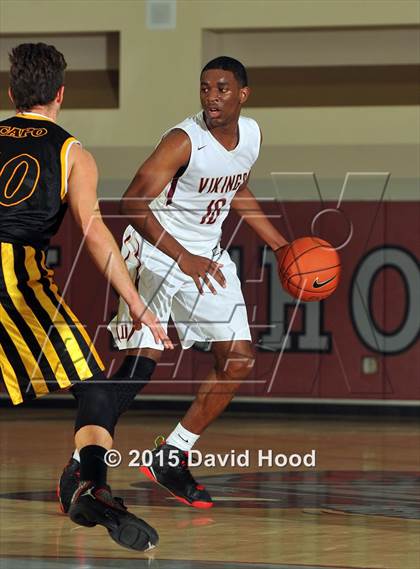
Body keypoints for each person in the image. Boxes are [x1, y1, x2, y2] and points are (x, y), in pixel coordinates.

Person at [59, 56, 288, 510]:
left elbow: (234, 187)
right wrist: (184, 257)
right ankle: (81, 465)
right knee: (138, 367)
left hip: (205, 255)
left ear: (243, 94)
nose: (212, 97)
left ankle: (172, 455)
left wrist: (281, 246)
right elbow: (132, 201)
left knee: (239, 359)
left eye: (222, 88)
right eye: (205, 88)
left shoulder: (254, 135)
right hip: (158, 250)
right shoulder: (183, 141)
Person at [0, 42, 173, 551]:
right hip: (16, 275)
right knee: (94, 387)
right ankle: (90, 483)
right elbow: (95, 234)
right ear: (60, 94)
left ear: (11, 93)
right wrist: (136, 303)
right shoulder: (72, 151)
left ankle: (86, 483)